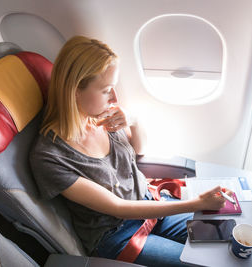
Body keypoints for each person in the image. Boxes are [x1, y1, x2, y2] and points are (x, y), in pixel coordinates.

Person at [29, 35, 229, 267]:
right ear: (75, 90)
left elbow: (139, 150)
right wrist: (196, 204)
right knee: (203, 263)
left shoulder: (103, 117)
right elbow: (117, 207)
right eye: (106, 90)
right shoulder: (49, 157)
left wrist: (132, 120)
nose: (114, 97)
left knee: (223, 240)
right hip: (118, 235)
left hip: (149, 206)